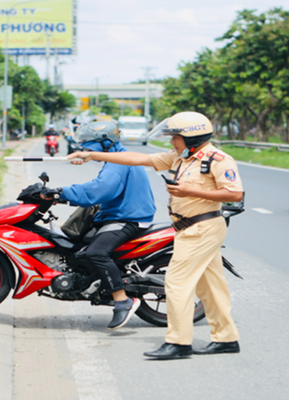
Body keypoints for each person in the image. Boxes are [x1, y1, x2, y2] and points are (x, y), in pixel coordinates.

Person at [68, 111, 243, 359]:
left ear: (192, 137)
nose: (172, 142)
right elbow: (137, 158)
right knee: (211, 287)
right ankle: (226, 338)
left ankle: (179, 343)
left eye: (176, 137)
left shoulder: (217, 159)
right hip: (188, 228)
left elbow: (235, 194)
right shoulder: (181, 158)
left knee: (177, 284)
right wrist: (90, 155)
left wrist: (189, 191)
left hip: (201, 228)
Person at [43, 120, 156, 330]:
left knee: (96, 253)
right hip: (117, 214)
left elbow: (99, 190)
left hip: (128, 218)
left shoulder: (119, 163)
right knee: (75, 246)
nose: (85, 147)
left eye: (89, 143)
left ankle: (123, 299)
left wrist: (62, 192)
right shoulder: (116, 157)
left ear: (106, 143)